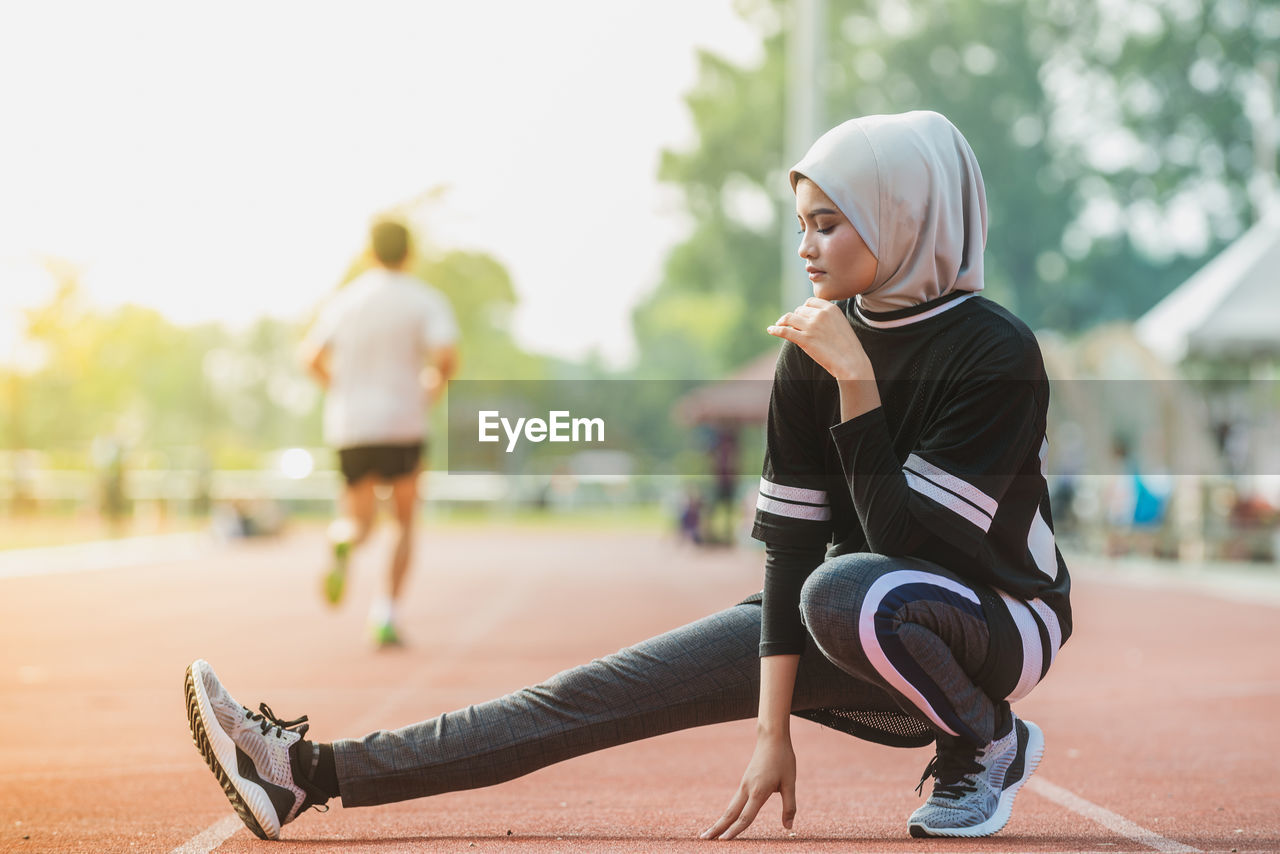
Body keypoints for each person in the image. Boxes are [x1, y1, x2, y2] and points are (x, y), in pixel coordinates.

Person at [185, 111, 1070, 841]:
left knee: (848, 591)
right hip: (840, 609)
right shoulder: (813, 348)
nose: (807, 246)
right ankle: (307, 775)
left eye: (830, 224)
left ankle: (988, 743)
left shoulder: (993, 352)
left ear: (902, 217)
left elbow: (911, 546)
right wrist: (771, 732)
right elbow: (793, 549)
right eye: (800, 223)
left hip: (994, 615)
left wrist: (860, 385)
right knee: (595, 693)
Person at [299, 218, 459, 647]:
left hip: (351, 425)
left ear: (370, 253)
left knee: (359, 522)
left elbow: (310, 356)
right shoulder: (425, 301)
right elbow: (446, 356)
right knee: (404, 522)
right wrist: (432, 387)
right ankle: (385, 613)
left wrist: (342, 388)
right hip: (402, 423)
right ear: (410, 253)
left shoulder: (344, 301)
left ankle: (341, 540)